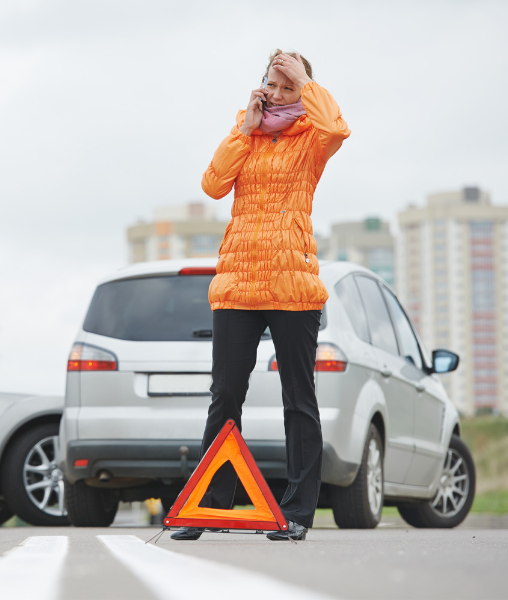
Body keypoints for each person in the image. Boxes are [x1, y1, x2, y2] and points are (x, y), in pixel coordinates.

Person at [172, 50, 350, 542]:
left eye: (288, 86)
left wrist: (306, 84)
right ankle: (210, 508)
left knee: (299, 400)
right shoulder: (245, 132)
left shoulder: (313, 137)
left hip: (292, 286)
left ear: (304, 92)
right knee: (225, 395)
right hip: (236, 285)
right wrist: (243, 131)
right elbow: (212, 186)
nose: (275, 93)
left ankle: (297, 512)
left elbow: (338, 129)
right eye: (272, 83)